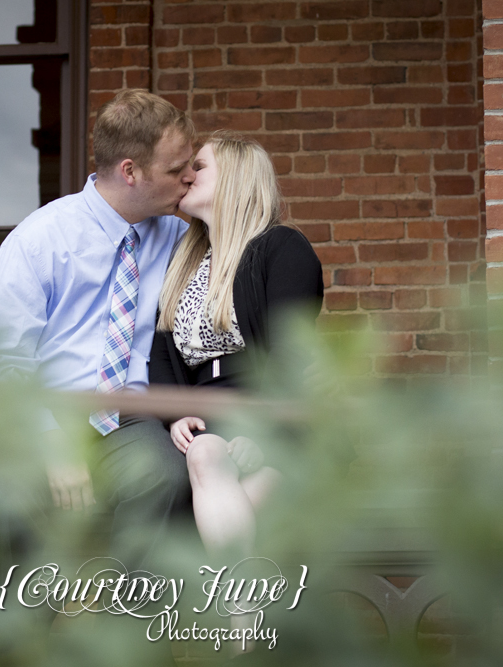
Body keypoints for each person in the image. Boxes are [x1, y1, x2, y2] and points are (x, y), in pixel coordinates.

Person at [0, 89, 197, 581]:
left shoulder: (181, 240)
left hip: (128, 424)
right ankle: (18, 645)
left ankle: (124, 642)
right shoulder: (39, 240)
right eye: (177, 168)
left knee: (164, 476)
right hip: (38, 415)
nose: (189, 177)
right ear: (130, 171)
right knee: (9, 492)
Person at [149, 131, 324, 562]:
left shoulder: (281, 248)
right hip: (208, 423)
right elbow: (160, 350)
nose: (187, 176)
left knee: (224, 520)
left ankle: (238, 620)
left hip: (275, 418)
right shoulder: (183, 261)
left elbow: (291, 354)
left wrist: (267, 433)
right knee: (205, 454)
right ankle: (244, 618)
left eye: (200, 167)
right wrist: (175, 414)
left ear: (234, 178)